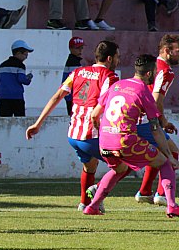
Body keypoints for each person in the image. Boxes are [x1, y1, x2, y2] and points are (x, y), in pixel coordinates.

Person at [27, 40, 120, 211]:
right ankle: (97, 190)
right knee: (123, 164)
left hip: (73, 134)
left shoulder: (78, 72)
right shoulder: (110, 77)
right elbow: (108, 104)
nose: (118, 61)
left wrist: (37, 123)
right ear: (109, 58)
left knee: (90, 166)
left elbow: (57, 96)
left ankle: (84, 203)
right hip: (92, 135)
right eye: (117, 57)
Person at [84, 54, 179, 218]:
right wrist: (169, 155)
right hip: (125, 140)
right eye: (155, 72)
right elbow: (155, 128)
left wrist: (106, 132)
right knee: (164, 163)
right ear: (149, 73)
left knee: (119, 169)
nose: (156, 75)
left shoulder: (117, 85)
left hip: (105, 143)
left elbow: (95, 114)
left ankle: (92, 206)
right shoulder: (143, 90)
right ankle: (172, 206)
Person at [134, 34, 179, 205]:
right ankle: (161, 194)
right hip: (145, 119)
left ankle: (145, 192)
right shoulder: (165, 71)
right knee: (172, 152)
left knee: (156, 153)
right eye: (178, 51)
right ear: (167, 51)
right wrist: (162, 121)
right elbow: (156, 100)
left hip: (134, 117)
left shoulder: (152, 65)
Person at [0, 40, 34, 117]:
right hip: (17, 98)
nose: (26, 57)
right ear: (19, 53)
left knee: (4, 122)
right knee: (20, 122)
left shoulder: (3, 65)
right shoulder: (20, 66)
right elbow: (22, 79)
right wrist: (29, 78)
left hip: (4, 99)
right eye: (25, 54)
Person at [62, 37, 85, 116]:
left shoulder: (74, 60)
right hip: (73, 95)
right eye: (77, 48)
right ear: (71, 49)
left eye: (81, 48)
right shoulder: (73, 62)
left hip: (72, 95)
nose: (80, 50)